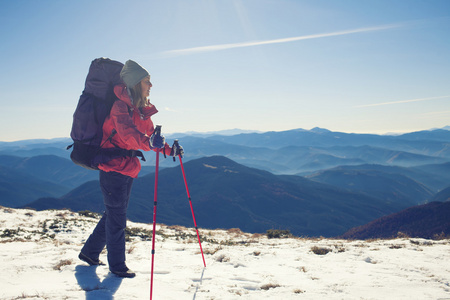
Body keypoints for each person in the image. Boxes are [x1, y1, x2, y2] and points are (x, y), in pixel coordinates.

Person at [78, 59, 176, 278]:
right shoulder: (119, 107)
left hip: (127, 169)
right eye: (147, 81)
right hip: (112, 168)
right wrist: (149, 143)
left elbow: (150, 138)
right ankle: (118, 266)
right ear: (135, 83)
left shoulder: (141, 110)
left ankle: (89, 253)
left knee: (113, 214)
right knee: (117, 218)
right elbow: (127, 135)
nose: (151, 86)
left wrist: (169, 150)